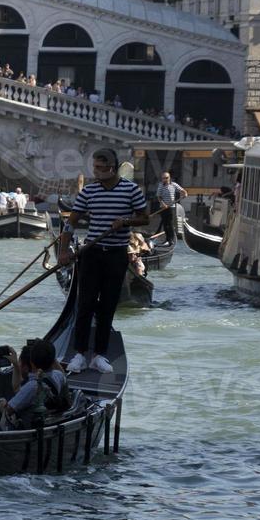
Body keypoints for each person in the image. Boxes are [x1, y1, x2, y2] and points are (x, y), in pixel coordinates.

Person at [63, 147, 148, 374]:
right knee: (85, 304)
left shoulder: (131, 190)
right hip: (91, 253)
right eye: (95, 168)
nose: (97, 172)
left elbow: (144, 218)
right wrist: (63, 252)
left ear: (113, 168)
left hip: (117, 254)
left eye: (102, 168)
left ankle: (99, 355)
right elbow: (70, 223)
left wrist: (126, 221)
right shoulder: (88, 192)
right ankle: (79, 354)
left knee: (108, 306)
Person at [0, 339, 69, 428]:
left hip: (29, 429)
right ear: (53, 361)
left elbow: (9, 410)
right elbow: (63, 374)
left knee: (1, 402)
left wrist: (1, 403)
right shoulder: (58, 376)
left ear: (31, 362)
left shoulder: (32, 387)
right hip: (48, 423)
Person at [154, 171, 186, 243]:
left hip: (171, 207)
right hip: (163, 208)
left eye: (166, 178)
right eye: (163, 178)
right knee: (166, 224)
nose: (165, 179)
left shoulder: (174, 184)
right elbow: (158, 196)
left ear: (169, 178)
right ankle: (168, 239)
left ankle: (170, 239)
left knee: (170, 223)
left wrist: (185, 193)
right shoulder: (161, 185)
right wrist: (163, 204)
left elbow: (182, 190)